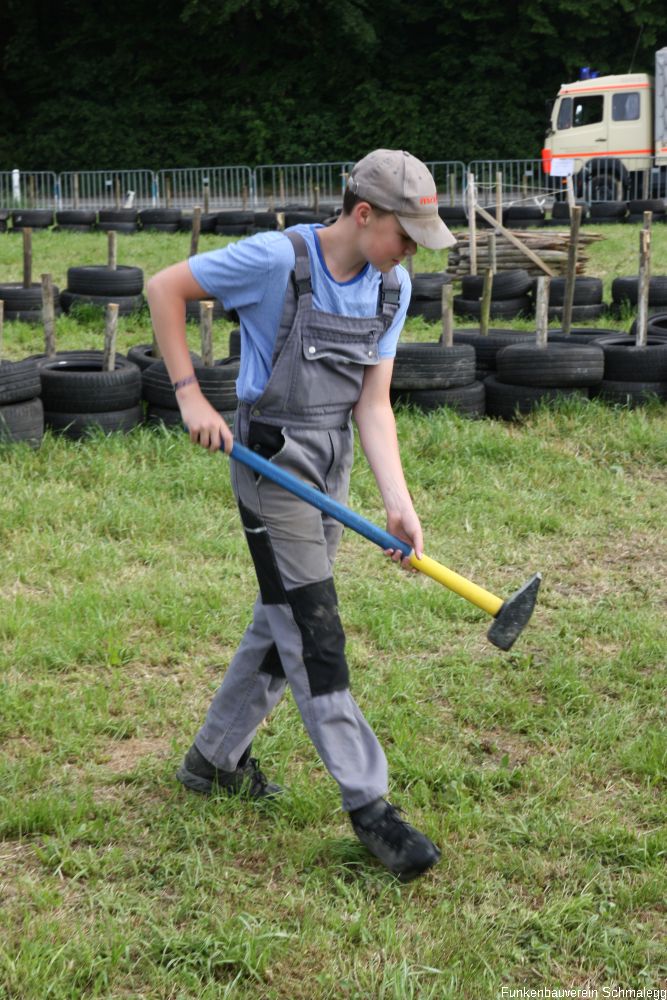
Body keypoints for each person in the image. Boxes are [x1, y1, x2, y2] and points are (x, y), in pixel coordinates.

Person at [146, 149, 456, 882]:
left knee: (282, 611)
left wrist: (398, 499)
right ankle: (369, 803)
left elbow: (371, 405)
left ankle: (212, 759)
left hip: (332, 463)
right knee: (314, 627)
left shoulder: (392, 286)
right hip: (270, 464)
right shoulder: (275, 260)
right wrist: (189, 393)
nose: (411, 250)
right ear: (362, 214)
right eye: (404, 234)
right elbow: (164, 287)